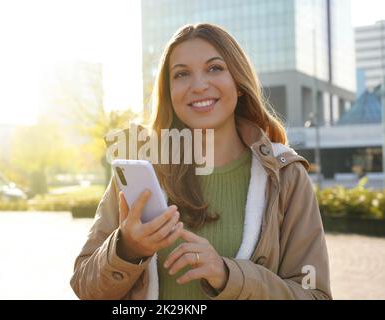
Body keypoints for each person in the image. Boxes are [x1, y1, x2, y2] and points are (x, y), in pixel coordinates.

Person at [70, 23, 331, 300]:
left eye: (214, 68)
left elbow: (314, 295)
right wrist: (127, 249)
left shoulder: (285, 176)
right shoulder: (140, 174)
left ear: (239, 83)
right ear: (169, 91)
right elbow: (85, 288)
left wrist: (228, 275)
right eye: (182, 74)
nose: (198, 86)